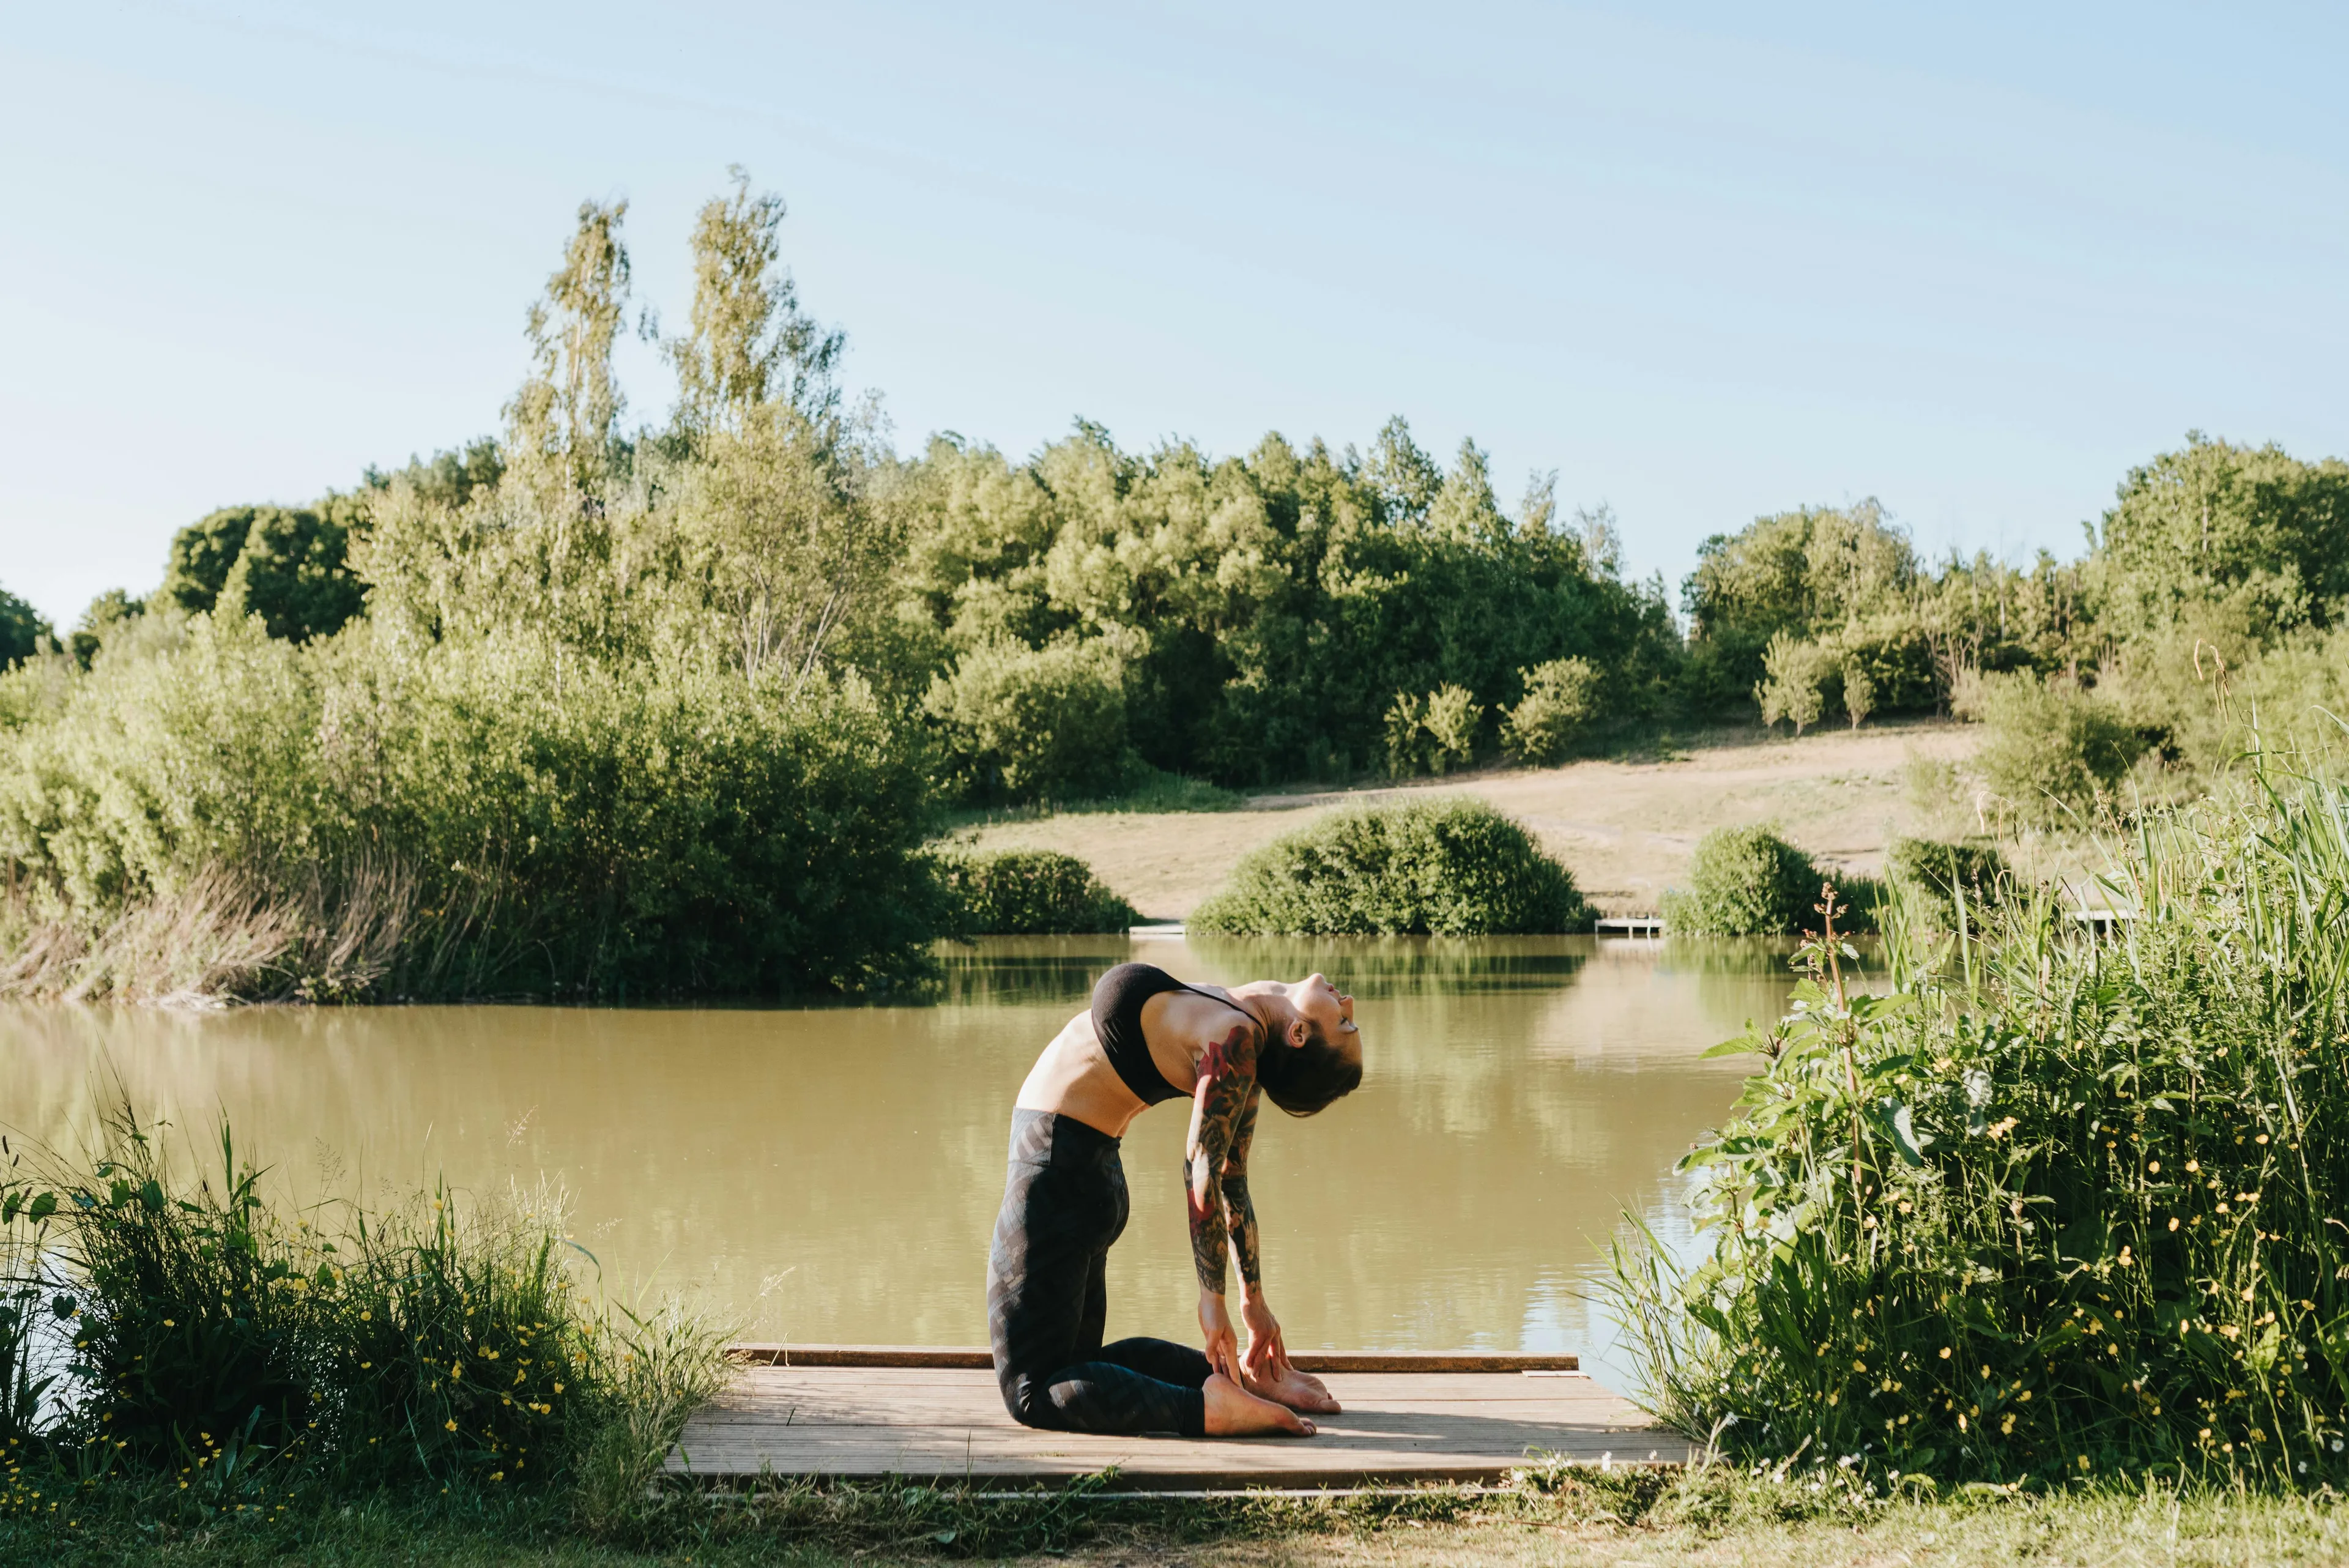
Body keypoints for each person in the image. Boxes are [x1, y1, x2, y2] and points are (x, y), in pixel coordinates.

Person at [985, 962, 1365, 1438]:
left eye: (1343, 1022)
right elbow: (1233, 1180)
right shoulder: (1242, 1028)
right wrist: (1254, 1305)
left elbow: (1206, 1168)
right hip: (1079, 1175)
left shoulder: (1237, 1037)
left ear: (1299, 1033)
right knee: (1074, 1366)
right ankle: (1243, 1384)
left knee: (1031, 1390)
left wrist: (1215, 1301)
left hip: (1056, 1176)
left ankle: (1209, 1409)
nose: (1347, 1003)